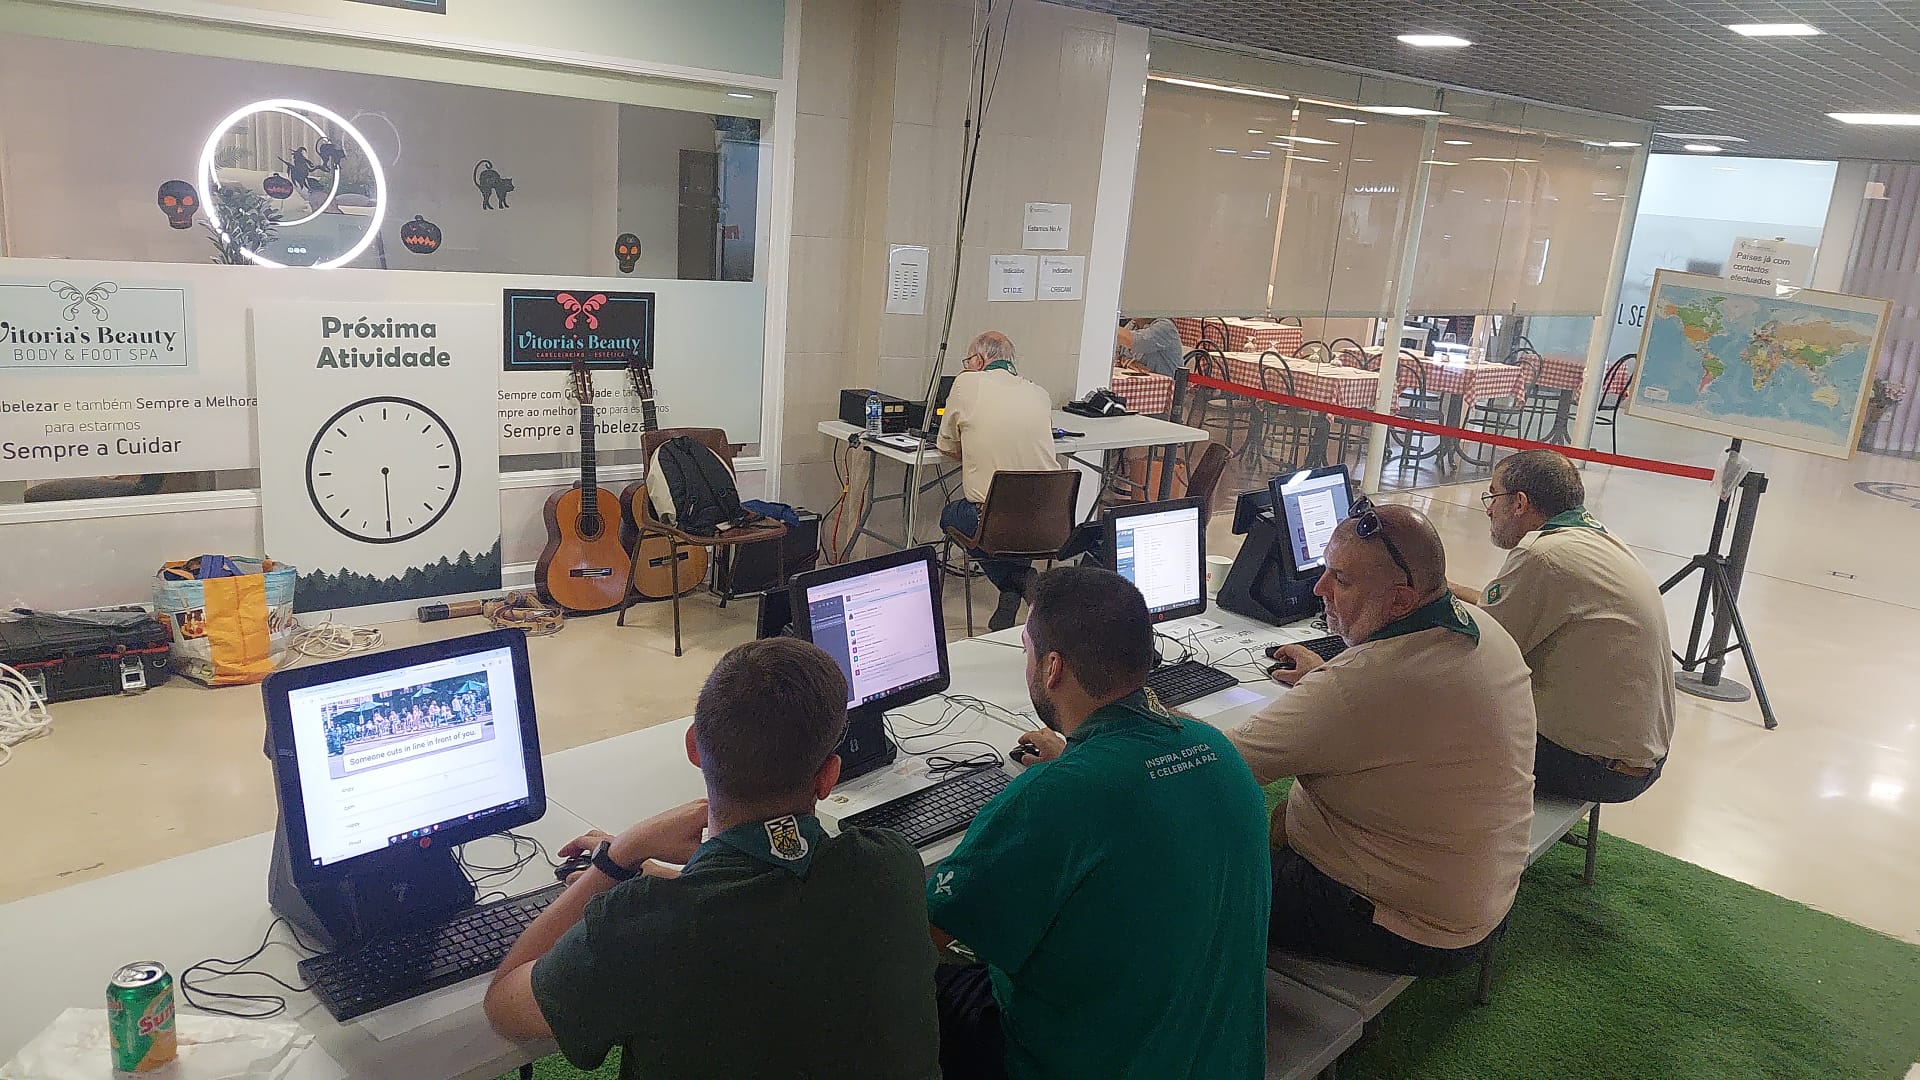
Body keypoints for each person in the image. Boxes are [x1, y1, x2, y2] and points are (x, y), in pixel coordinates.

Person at [484, 638, 941, 1080]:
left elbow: (504, 1003)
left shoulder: (639, 927)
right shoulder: (890, 864)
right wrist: (678, 874)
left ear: (693, 747)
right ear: (828, 777)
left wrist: (621, 853)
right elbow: (770, 901)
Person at [927, 566, 1271, 1079]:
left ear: (1052, 668)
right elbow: (1134, 796)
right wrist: (1077, 759)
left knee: (921, 978)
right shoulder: (1216, 748)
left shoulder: (1054, 797)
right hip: (1217, 1058)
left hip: (1081, 1062)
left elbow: (933, 929)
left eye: (1027, 650)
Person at [1229, 500, 1535, 976]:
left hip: (1403, 926)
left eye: (1341, 580)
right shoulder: (1485, 629)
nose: (1320, 588)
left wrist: (1143, 709)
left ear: (1399, 602)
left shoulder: (1358, 687)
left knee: (1187, 870)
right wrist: (1326, 677)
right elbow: (1394, 704)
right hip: (1478, 898)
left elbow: (1218, 764)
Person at [1459, 449, 1675, 803]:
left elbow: (1478, 648)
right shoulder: (1592, 539)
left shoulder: (1541, 556)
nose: (1488, 509)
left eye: (1493, 495)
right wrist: (1444, 590)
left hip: (1591, 768)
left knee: (1426, 700)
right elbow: (1495, 609)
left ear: (1519, 503)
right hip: (1635, 760)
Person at [937, 331, 1061, 631]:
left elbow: (946, 445)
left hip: (992, 521)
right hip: (1047, 522)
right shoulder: (1039, 392)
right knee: (1012, 529)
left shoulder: (967, 383)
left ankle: (1019, 581)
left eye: (968, 361)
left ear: (979, 360)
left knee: (951, 516)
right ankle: (1013, 590)